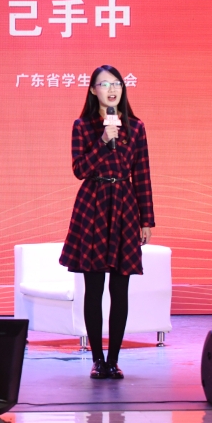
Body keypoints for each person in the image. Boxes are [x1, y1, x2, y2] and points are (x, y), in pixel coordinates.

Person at [59, 65, 155, 380]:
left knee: (120, 288)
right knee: (94, 288)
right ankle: (97, 360)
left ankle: (114, 360)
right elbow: (79, 169)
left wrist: (146, 219)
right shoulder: (83, 126)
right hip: (93, 204)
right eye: (104, 84)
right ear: (92, 90)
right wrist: (102, 140)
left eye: (116, 84)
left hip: (125, 205)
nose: (112, 90)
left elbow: (142, 174)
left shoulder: (135, 127)